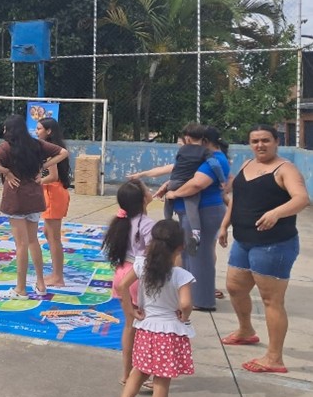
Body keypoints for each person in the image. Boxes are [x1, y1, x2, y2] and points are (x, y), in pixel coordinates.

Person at [217, 124, 309, 374]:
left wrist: (276, 213)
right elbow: (237, 198)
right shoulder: (247, 164)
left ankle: (274, 358)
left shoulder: (285, 169)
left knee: (271, 300)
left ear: (276, 141)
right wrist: (225, 225)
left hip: (274, 245)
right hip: (243, 241)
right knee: (235, 288)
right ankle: (246, 330)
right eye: (255, 140)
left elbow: (301, 198)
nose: (260, 145)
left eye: (265, 140)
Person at [114, 219, 195, 397]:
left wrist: (131, 310)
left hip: (146, 329)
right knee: (161, 382)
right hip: (168, 333)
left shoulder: (142, 265)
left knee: (138, 372)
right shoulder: (181, 275)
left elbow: (122, 286)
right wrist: (185, 315)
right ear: (180, 247)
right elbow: (185, 303)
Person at [0, 114, 67, 299]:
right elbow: (63, 152)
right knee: (33, 241)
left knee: (21, 245)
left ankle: (20, 289)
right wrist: (43, 166)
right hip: (35, 199)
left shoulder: (5, 147)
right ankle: (41, 284)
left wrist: (7, 172)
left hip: (16, 200)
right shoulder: (36, 144)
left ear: (9, 130)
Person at [162, 125, 231, 311]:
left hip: (204, 212)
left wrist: (174, 194)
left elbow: (196, 184)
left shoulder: (215, 159)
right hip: (194, 211)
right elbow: (184, 175)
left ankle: (203, 301)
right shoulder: (205, 157)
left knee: (200, 257)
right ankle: (191, 296)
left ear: (205, 141)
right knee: (190, 255)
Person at [130, 123, 226, 255]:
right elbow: (214, 166)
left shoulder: (182, 151)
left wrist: (145, 176)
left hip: (175, 182)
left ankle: (168, 224)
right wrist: (222, 179)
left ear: (187, 138)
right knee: (192, 209)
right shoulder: (205, 152)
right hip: (188, 183)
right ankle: (196, 234)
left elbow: (174, 168)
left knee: (168, 202)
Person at [101, 179, 156, 387]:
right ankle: (144, 373)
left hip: (121, 274)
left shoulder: (121, 220)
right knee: (147, 326)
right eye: (147, 190)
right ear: (143, 200)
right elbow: (153, 255)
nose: (150, 192)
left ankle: (127, 374)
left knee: (130, 325)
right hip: (137, 277)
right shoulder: (147, 224)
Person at [35, 118, 70, 286]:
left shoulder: (50, 150)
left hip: (53, 193)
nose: (36, 131)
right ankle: (56, 273)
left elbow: (53, 176)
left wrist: (36, 182)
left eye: (39, 129)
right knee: (49, 234)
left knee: (54, 237)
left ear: (49, 131)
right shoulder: (53, 148)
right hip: (52, 193)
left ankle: (58, 277)